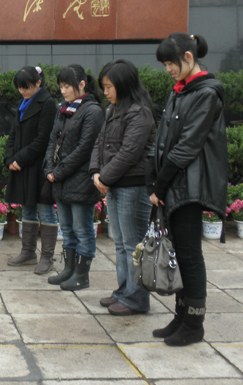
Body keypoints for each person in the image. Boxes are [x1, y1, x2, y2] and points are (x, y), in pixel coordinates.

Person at [147, 33, 227, 346]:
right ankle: (181, 316)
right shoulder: (181, 90)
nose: (168, 69)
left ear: (189, 58)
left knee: (190, 255)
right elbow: (163, 139)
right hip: (175, 184)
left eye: (171, 63)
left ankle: (194, 324)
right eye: (165, 64)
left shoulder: (206, 93)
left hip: (189, 187)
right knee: (178, 253)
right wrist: (154, 179)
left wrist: (160, 184)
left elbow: (187, 146)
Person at [89, 59, 155, 316]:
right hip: (115, 184)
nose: (105, 92)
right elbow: (100, 143)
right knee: (119, 243)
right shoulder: (113, 110)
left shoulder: (140, 112)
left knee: (133, 245)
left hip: (133, 186)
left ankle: (136, 298)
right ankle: (123, 291)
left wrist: (104, 178)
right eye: (104, 87)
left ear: (124, 84)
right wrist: (96, 172)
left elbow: (129, 152)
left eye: (109, 86)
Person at [44, 64, 104, 291]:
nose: (63, 91)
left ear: (81, 84)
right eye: (61, 86)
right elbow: (52, 140)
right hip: (61, 181)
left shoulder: (93, 111)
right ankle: (69, 269)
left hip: (80, 181)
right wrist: (48, 168)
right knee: (67, 229)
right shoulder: (63, 108)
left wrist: (57, 172)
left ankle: (82, 275)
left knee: (82, 229)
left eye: (67, 86)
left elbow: (84, 149)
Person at [5, 65, 59, 274]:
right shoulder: (23, 103)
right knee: (27, 208)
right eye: (20, 88)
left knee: (45, 210)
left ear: (38, 83)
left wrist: (20, 159)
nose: (22, 91)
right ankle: (28, 251)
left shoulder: (47, 104)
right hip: (22, 167)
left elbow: (43, 139)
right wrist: (9, 159)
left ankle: (47, 256)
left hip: (38, 166)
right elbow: (13, 133)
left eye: (26, 87)